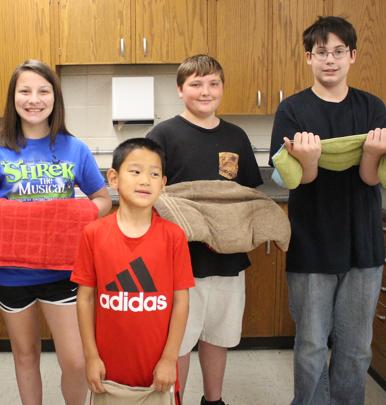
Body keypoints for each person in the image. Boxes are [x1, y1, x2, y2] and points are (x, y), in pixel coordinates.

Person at [268, 16, 386, 405]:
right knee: (310, 343)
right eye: (321, 52)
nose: (330, 60)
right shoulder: (291, 110)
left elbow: (371, 178)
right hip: (311, 242)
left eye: (338, 52)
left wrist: (375, 154)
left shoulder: (372, 107)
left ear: (352, 56)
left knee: (357, 346)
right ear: (309, 58)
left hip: (364, 244)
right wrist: (308, 160)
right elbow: (296, 180)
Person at [0, 59, 111, 405]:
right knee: (26, 354)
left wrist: (75, 214)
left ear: (54, 98)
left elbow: (102, 198)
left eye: (43, 91)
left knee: (76, 362)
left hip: (63, 269)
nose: (34, 99)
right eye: (25, 91)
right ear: (13, 98)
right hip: (10, 273)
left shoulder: (74, 148)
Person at [147, 55, 263, 405]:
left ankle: (214, 400)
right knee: (178, 341)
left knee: (219, 336)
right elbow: (151, 194)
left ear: (222, 89)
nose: (205, 91)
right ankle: (174, 401)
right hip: (180, 264)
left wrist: (236, 230)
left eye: (213, 83)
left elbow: (249, 196)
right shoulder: (163, 134)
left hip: (228, 260)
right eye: (196, 84)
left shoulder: (237, 136)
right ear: (180, 90)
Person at [72, 138, 194, 403]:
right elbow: (85, 298)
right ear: (113, 178)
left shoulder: (173, 236)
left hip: (157, 375)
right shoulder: (93, 234)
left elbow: (181, 301)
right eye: (136, 171)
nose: (145, 180)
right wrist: (90, 357)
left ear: (163, 184)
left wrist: (169, 359)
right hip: (108, 375)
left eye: (154, 174)